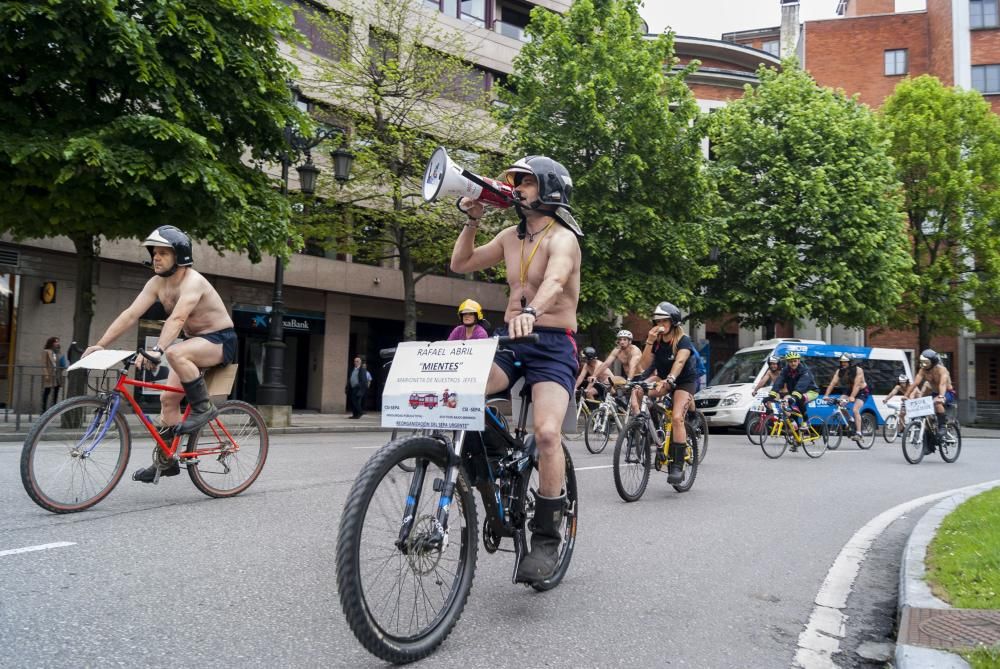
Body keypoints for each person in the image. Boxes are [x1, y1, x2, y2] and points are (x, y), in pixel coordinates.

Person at [450, 153, 581, 584]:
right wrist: (472, 220)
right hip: (509, 340)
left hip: (551, 344)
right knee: (462, 393)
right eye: (514, 182)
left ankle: (546, 536)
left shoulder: (564, 238)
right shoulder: (510, 235)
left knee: (546, 434)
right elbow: (461, 264)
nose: (515, 189)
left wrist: (535, 310)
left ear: (547, 189)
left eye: (523, 183)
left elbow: (556, 279)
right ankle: (490, 458)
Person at [82, 226, 237, 483]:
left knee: (175, 352)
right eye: (155, 252)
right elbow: (131, 314)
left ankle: (203, 408)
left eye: (164, 252)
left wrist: (157, 350)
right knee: (167, 400)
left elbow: (177, 317)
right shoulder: (156, 283)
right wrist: (100, 344)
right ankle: (166, 462)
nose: (156, 256)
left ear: (180, 256)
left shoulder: (193, 282)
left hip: (220, 339)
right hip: (193, 342)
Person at [632, 302, 699, 485]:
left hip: (683, 381)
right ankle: (643, 423)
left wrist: (670, 378)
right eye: (657, 320)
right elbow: (644, 366)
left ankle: (678, 465)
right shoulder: (657, 341)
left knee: (677, 418)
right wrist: (649, 341)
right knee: (638, 390)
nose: (659, 324)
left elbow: (680, 361)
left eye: (664, 321)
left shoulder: (683, 340)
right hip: (662, 379)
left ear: (674, 322)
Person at [906, 349, 955, 448]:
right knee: (925, 413)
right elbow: (915, 383)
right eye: (922, 362)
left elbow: (942, 384)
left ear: (932, 362)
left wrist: (941, 396)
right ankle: (929, 444)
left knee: (937, 403)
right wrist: (906, 395)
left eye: (926, 362)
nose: (923, 364)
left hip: (947, 392)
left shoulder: (942, 370)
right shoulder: (923, 370)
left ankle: (942, 426)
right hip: (934, 393)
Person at [769, 351, 819, 445]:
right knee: (787, 407)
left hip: (810, 391)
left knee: (800, 398)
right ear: (788, 362)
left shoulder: (804, 371)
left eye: (795, 361)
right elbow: (779, 381)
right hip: (795, 392)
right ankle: (797, 438)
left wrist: (794, 396)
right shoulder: (785, 370)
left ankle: (806, 421)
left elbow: (801, 385)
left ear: (798, 361)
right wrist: (771, 394)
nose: (793, 363)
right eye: (790, 361)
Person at [823, 354, 870, 444]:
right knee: (840, 403)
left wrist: (852, 397)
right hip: (850, 390)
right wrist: (826, 395)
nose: (843, 364)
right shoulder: (839, 371)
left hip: (862, 391)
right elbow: (832, 383)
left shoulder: (858, 370)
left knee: (855, 409)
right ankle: (850, 420)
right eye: (842, 362)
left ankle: (859, 433)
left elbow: (857, 385)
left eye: (845, 362)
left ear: (850, 362)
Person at [41, 336, 62, 411]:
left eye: (58, 342)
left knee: (56, 392)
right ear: (51, 343)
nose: (57, 343)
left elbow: (57, 363)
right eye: (55, 342)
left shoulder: (56, 352)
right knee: (47, 392)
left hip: (56, 375)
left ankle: (54, 410)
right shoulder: (46, 351)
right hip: (50, 374)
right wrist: (46, 374)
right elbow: (44, 364)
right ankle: (43, 410)